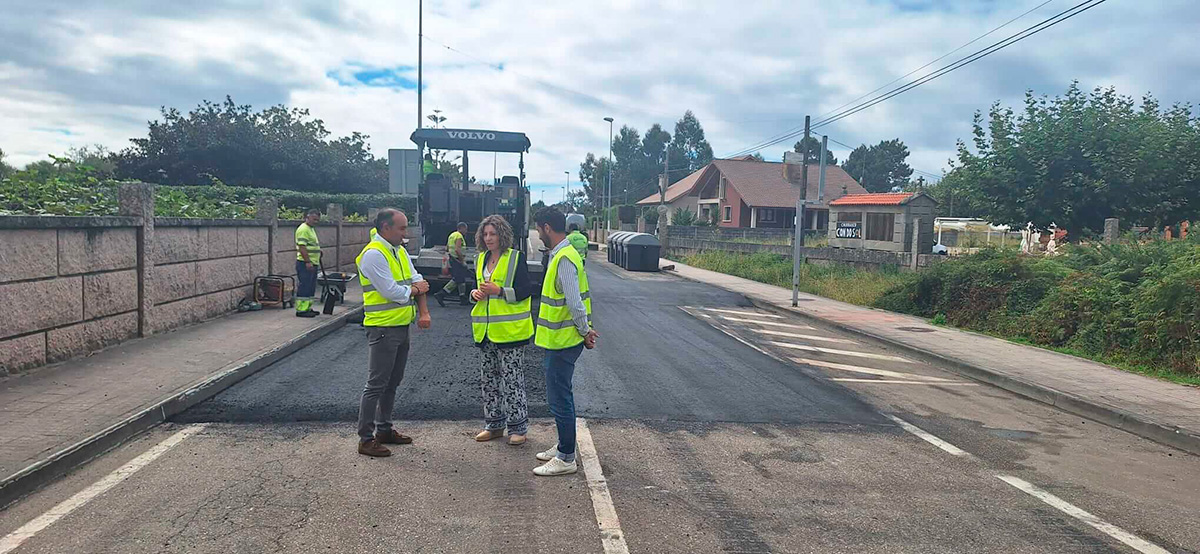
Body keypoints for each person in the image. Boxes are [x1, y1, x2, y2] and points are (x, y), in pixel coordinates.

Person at [354, 209, 432, 457]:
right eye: (401, 228)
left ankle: (384, 430)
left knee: (392, 382)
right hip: (383, 328)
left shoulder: (397, 251)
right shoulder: (374, 255)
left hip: (400, 325)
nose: (405, 233)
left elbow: (416, 278)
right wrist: (415, 289)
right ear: (385, 228)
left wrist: (418, 298)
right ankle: (365, 439)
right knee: (376, 384)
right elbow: (392, 291)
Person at [531, 207, 598, 476]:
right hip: (560, 339)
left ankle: (566, 456)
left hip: (564, 340)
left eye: (538, 229)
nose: (537, 234)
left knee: (560, 397)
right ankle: (563, 444)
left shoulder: (565, 258)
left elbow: (574, 302)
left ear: (547, 228)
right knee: (558, 394)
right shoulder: (561, 255)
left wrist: (585, 331)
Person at [468, 215, 534, 446]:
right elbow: (476, 288)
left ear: (502, 235)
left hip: (511, 331)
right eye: (485, 234)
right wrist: (474, 294)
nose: (488, 238)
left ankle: (518, 428)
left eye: (493, 234)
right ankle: (494, 425)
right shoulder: (480, 259)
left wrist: (500, 291)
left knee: (512, 380)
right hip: (485, 331)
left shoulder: (516, 258)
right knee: (489, 380)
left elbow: (526, 290)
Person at [434, 222, 470, 307]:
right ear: (461, 228)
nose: (466, 231)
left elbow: (447, 248)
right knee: (457, 279)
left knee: (460, 279)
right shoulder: (459, 236)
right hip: (457, 260)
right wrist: (462, 261)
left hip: (452, 259)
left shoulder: (452, 235)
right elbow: (457, 249)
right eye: (466, 229)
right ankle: (441, 294)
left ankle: (462, 298)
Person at [294, 209, 322, 318]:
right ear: (307, 217)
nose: (316, 222)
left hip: (312, 262)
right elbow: (302, 247)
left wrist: (318, 251)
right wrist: (307, 261)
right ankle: (301, 310)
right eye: (314, 219)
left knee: (311, 287)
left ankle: (308, 308)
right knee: (305, 286)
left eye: (317, 220)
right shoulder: (303, 229)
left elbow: (311, 245)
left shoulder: (311, 229)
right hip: (305, 263)